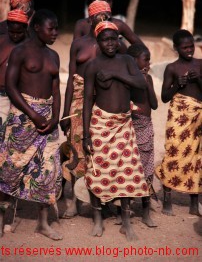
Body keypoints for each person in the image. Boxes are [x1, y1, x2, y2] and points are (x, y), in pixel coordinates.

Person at [83, 20, 149, 241]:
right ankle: (98, 219)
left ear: (119, 40)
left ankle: (127, 222)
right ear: (98, 42)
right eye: (105, 40)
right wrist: (85, 135)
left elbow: (141, 83)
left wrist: (116, 76)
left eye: (114, 39)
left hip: (123, 124)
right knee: (97, 169)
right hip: (101, 123)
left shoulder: (127, 61)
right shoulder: (92, 66)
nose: (110, 44)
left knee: (127, 170)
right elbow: (86, 103)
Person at [60, 0, 127, 218]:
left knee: (102, 150)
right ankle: (73, 201)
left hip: (104, 102)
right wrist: (65, 112)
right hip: (79, 102)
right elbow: (71, 79)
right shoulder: (79, 44)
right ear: (90, 18)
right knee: (77, 151)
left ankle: (105, 198)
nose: (104, 19)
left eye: (108, 15)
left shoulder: (111, 43)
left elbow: (130, 58)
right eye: (100, 15)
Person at [0, 9, 63, 240]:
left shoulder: (54, 56)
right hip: (22, 119)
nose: (55, 33)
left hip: (47, 120)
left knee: (46, 173)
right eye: (51, 28)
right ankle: (2, 219)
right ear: (36, 28)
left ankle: (43, 223)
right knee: (10, 170)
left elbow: (56, 90)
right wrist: (32, 114)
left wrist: (55, 117)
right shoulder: (20, 52)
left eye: (56, 28)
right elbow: (11, 87)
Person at [155, 29, 202, 216]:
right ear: (176, 48)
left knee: (196, 157)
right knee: (174, 152)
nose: (189, 50)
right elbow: (165, 97)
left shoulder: (200, 64)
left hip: (197, 116)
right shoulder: (172, 68)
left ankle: (194, 203)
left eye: (191, 46)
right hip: (178, 117)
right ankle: (167, 200)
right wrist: (178, 85)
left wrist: (198, 79)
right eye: (184, 47)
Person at [127, 43, 158, 227]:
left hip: (144, 126)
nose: (148, 63)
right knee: (129, 166)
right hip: (128, 126)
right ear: (133, 60)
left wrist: (147, 83)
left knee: (146, 167)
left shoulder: (149, 79)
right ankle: (124, 208)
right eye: (145, 59)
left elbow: (153, 104)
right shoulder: (126, 79)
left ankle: (146, 212)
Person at [73, 0, 144, 46]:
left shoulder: (119, 24)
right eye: (103, 0)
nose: (106, 3)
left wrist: (127, 59)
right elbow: (75, 52)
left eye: (109, 0)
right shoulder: (82, 25)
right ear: (94, 1)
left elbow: (141, 48)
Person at [0, 9, 28, 134]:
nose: (15, 35)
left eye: (19, 32)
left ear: (26, 28)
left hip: (23, 96)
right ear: (7, 27)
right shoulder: (2, 42)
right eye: (12, 32)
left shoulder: (30, 44)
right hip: (2, 95)